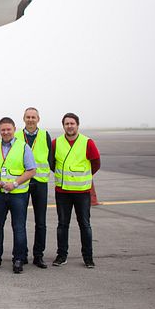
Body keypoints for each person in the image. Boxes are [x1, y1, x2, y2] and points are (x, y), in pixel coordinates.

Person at [0, 117, 37, 274]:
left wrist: (15, 183)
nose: (5, 132)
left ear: (14, 129)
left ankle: (18, 259)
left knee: (18, 227)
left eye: (8, 129)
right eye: (3, 129)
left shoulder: (23, 147)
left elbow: (31, 170)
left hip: (17, 194)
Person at [50, 113, 101, 268]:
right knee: (62, 225)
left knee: (84, 224)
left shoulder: (87, 142)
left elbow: (96, 163)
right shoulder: (55, 143)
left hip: (82, 192)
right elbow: (52, 163)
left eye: (72, 123)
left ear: (77, 125)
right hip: (62, 191)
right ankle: (61, 255)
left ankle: (88, 257)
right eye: (67, 124)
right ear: (63, 126)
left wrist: (82, 177)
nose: (70, 126)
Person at [14, 107, 52, 268]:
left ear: (38, 119)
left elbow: (51, 156)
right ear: (23, 118)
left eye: (33, 117)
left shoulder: (45, 135)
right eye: (28, 117)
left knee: (41, 221)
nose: (30, 120)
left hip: (40, 182)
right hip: (22, 182)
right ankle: (21, 255)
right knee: (19, 221)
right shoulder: (16, 136)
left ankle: (38, 255)